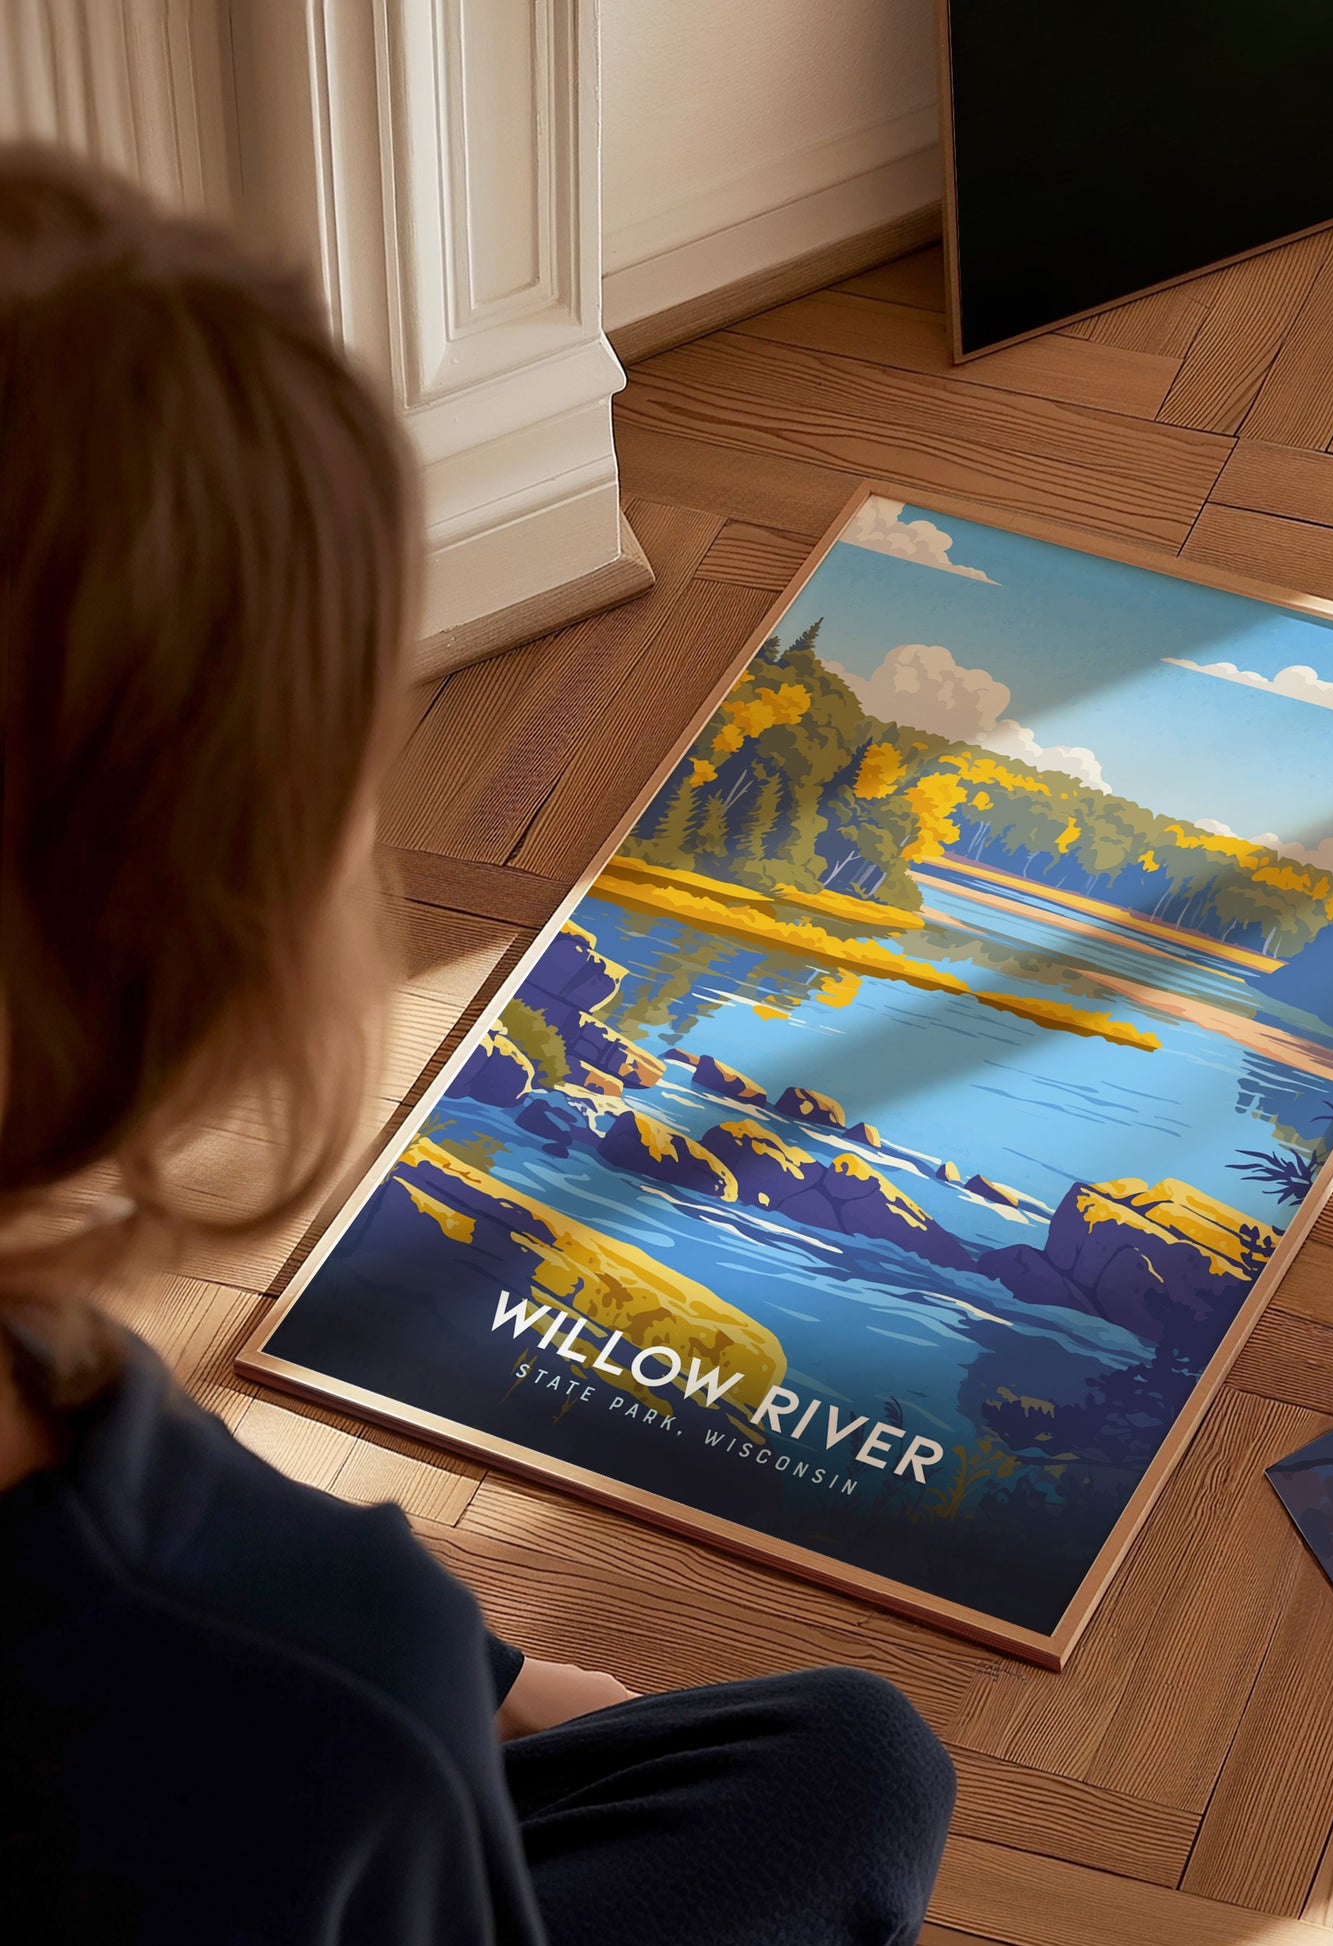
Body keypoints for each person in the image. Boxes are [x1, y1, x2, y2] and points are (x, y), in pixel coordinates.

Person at [0, 146, 956, 1943]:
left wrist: (483, 1666)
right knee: (852, 1771)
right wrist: (432, 1686)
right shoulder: (313, 1698)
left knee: (829, 1761)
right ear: (214, 925)